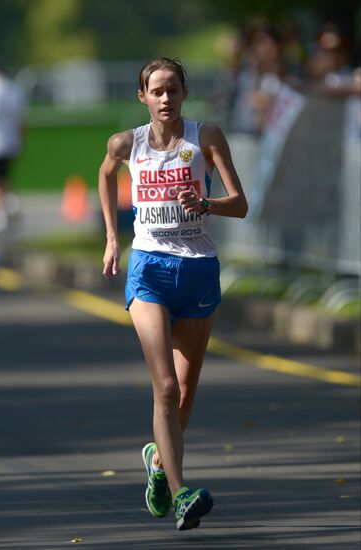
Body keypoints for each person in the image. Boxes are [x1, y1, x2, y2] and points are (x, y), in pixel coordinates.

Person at [98, 57, 248, 531]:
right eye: (156, 91)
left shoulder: (206, 138)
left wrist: (205, 203)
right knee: (163, 386)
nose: (166, 99)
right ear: (142, 97)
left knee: (183, 395)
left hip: (199, 268)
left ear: (185, 93)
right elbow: (105, 174)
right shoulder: (127, 143)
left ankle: (158, 463)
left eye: (173, 90)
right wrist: (111, 237)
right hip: (149, 269)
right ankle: (183, 493)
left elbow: (240, 204)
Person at [0, 60, 24, 232]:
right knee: (4, 178)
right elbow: (20, 119)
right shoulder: (13, 90)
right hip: (9, 141)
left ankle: (2, 213)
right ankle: (9, 206)